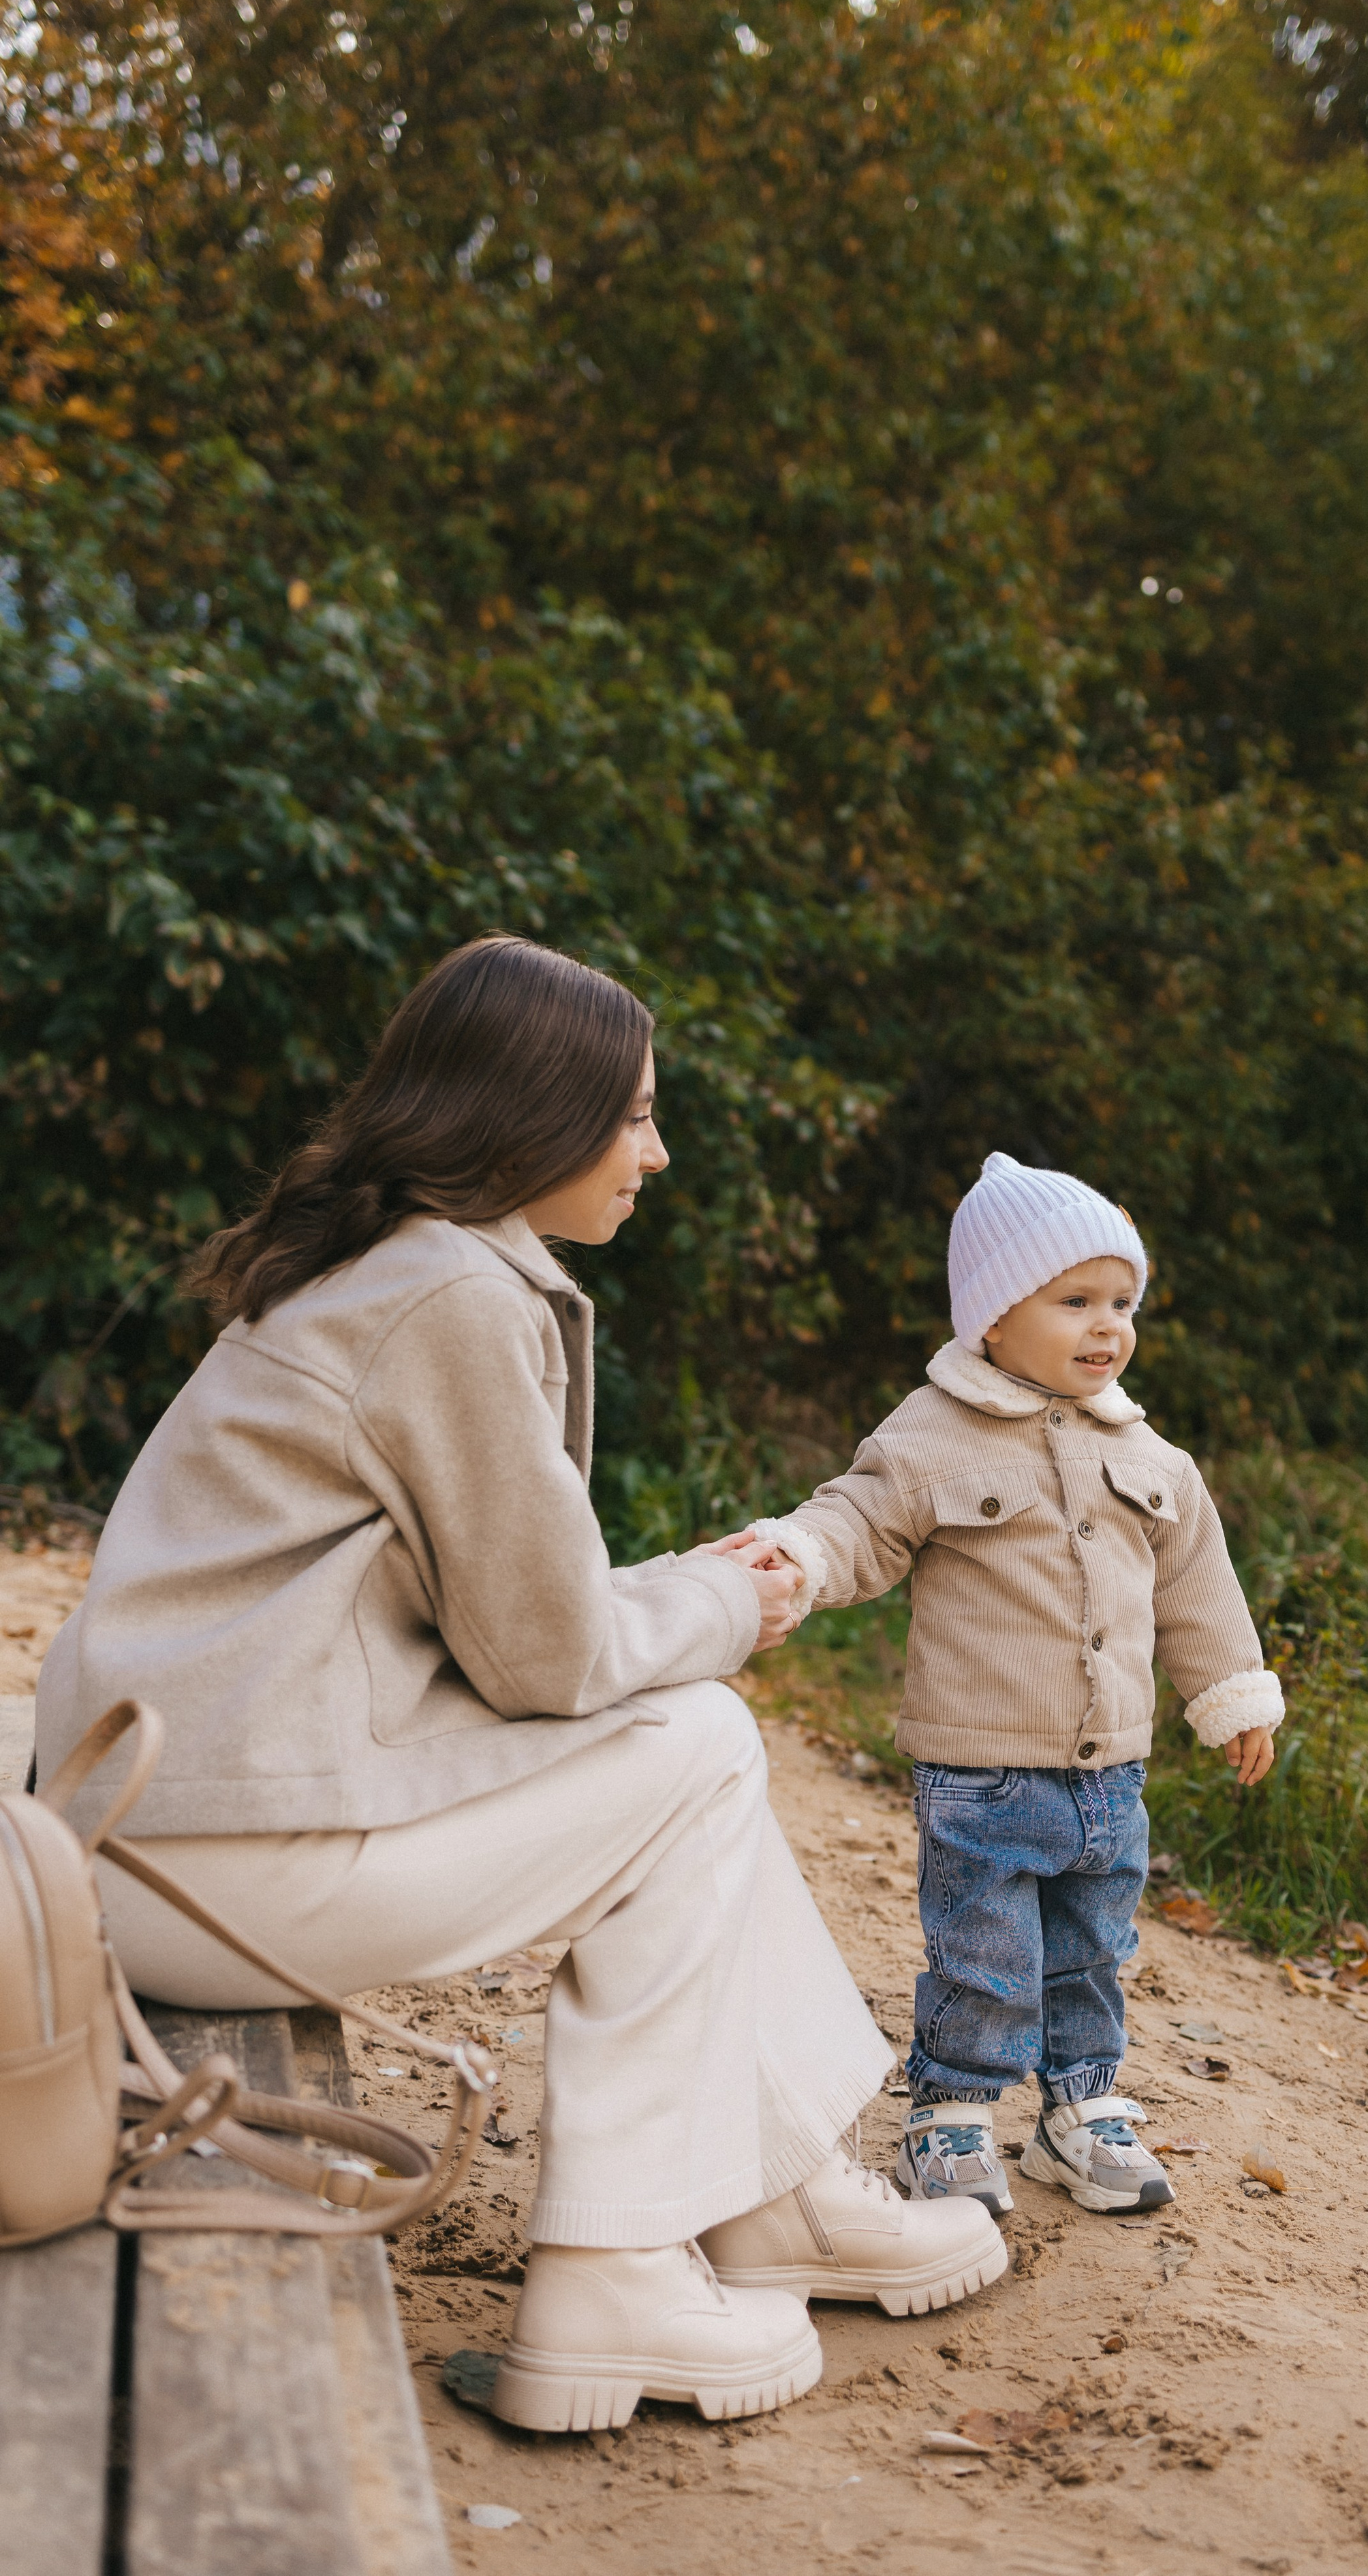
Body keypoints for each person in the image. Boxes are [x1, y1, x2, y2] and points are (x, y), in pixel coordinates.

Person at [33, 936, 1004, 2434]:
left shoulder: (389, 1264)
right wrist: (732, 1600)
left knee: (685, 1737)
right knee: (698, 1746)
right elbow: (545, 1661)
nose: (656, 1153)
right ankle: (616, 2274)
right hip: (212, 1864)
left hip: (161, 1828)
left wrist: (682, 1591)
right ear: (531, 1114)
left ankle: (777, 2195)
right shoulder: (449, 1296)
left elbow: (504, 1621)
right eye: (635, 1116)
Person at [748, 1152, 1284, 2221]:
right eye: (1075, 1301)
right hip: (981, 1773)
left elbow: (1197, 1586)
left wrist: (1231, 1692)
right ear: (993, 1317)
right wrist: (798, 1557)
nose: (1107, 1326)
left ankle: (1080, 2110)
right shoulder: (933, 1434)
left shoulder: (1151, 1457)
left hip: (1111, 1777)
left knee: (1093, 1951)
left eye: (1122, 1302)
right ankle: (950, 2113)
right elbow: (858, 1518)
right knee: (985, 1956)